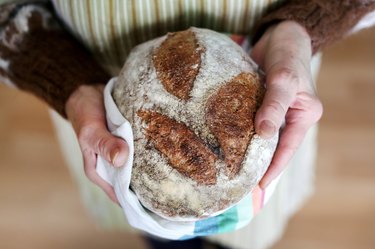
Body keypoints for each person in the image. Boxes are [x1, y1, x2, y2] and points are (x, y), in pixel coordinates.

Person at [1, 1, 374, 248]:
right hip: (96, 103)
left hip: (277, 72)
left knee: (248, 225)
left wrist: (301, 29)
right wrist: (66, 78)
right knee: (161, 230)